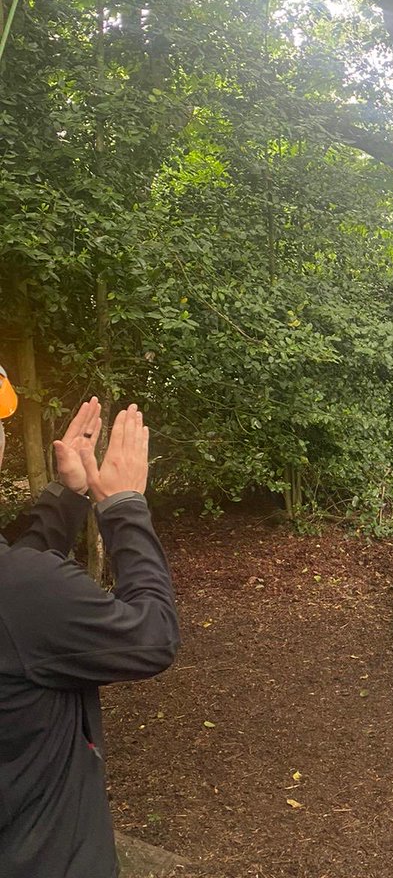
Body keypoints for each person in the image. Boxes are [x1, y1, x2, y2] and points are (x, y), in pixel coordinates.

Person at [0, 375, 180, 878]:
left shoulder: (18, 591)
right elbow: (151, 637)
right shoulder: (21, 590)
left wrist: (66, 498)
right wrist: (123, 508)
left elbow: (18, 607)